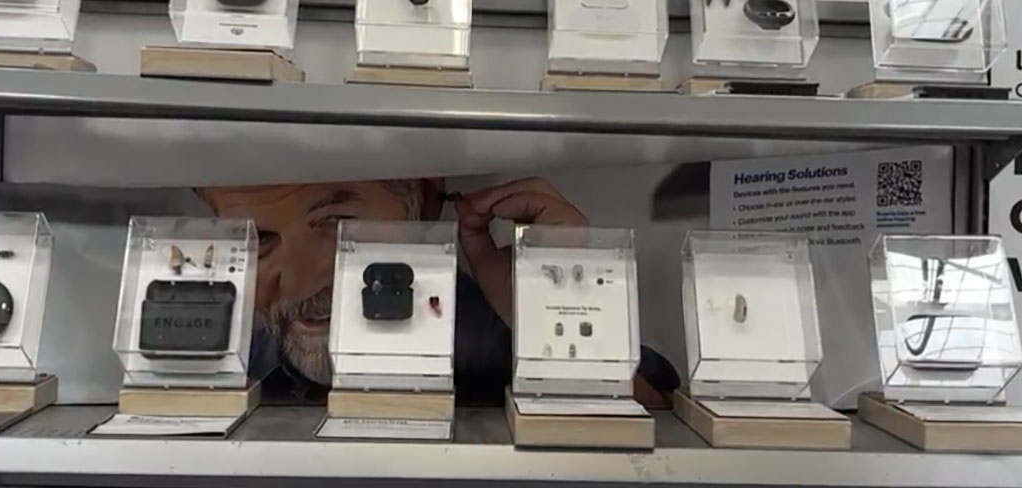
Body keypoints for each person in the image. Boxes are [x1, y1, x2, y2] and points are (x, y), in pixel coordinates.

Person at [197, 177, 677, 406]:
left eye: (336, 224)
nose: (297, 279)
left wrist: (553, 313)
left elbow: (662, 438)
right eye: (259, 241)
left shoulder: (496, 340)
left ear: (424, 206)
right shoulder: (233, 360)